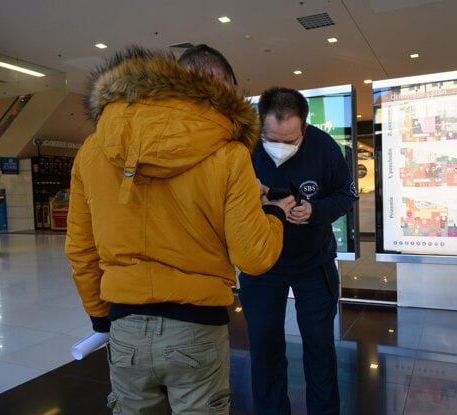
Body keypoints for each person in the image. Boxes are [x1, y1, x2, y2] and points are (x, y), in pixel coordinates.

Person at [65, 45, 295, 415]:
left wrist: (100, 315)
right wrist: (273, 215)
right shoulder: (229, 151)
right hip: (197, 330)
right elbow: (253, 258)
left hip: (125, 327)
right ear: (216, 84)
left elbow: (80, 248)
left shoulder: (93, 150)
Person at [238, 87, 358, 415]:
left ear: (304, 127)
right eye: (272, 138)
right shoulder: (242, 149)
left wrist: (314, 211)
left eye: (290, 140)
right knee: (264, 348)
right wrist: (257, 201)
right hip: (262, 265)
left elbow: (347, 195)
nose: (280, 148)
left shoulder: (324, 147)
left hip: (313, 262)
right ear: (261, 124)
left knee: (319, 347)